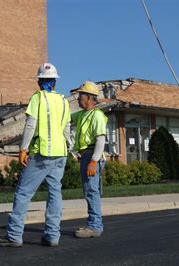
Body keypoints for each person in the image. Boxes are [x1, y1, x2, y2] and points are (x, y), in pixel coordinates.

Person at [0, 63, 72, 248]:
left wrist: (23, 149)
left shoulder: (38, 98)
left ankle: (14, 235)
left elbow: (31, 125)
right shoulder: (63, 101)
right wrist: (70, 147)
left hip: (42, 153)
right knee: (55, 193)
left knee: (23, 193)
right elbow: (67, 128)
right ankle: (53, 236)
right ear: (54, 82)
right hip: (60, 153)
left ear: (39, 82)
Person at [71, 81, 108, 238]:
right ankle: (93, 224)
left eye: (80, 96)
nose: (78, 99)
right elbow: (65, 117)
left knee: (92, 191)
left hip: (93, 156)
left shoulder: (97, 115)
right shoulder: (81, 115)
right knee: (89, 191)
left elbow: (100, 140)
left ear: (89, 98)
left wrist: (93, 161)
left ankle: (94, 226)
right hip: (86, 155)